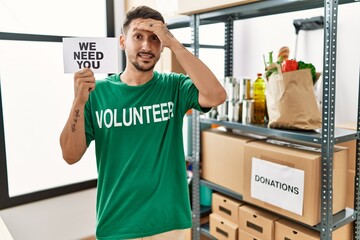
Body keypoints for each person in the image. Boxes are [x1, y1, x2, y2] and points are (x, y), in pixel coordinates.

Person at [60, 5, 226, 240]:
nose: (147, 46)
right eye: (138, 36)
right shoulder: (96, 93)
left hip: (169, 222)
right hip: (117, 222)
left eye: (155, 39)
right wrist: (78, 102)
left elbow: (216, 95)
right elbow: (70, 154)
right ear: (122, 42)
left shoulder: (174, 86)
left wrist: (174, 44)